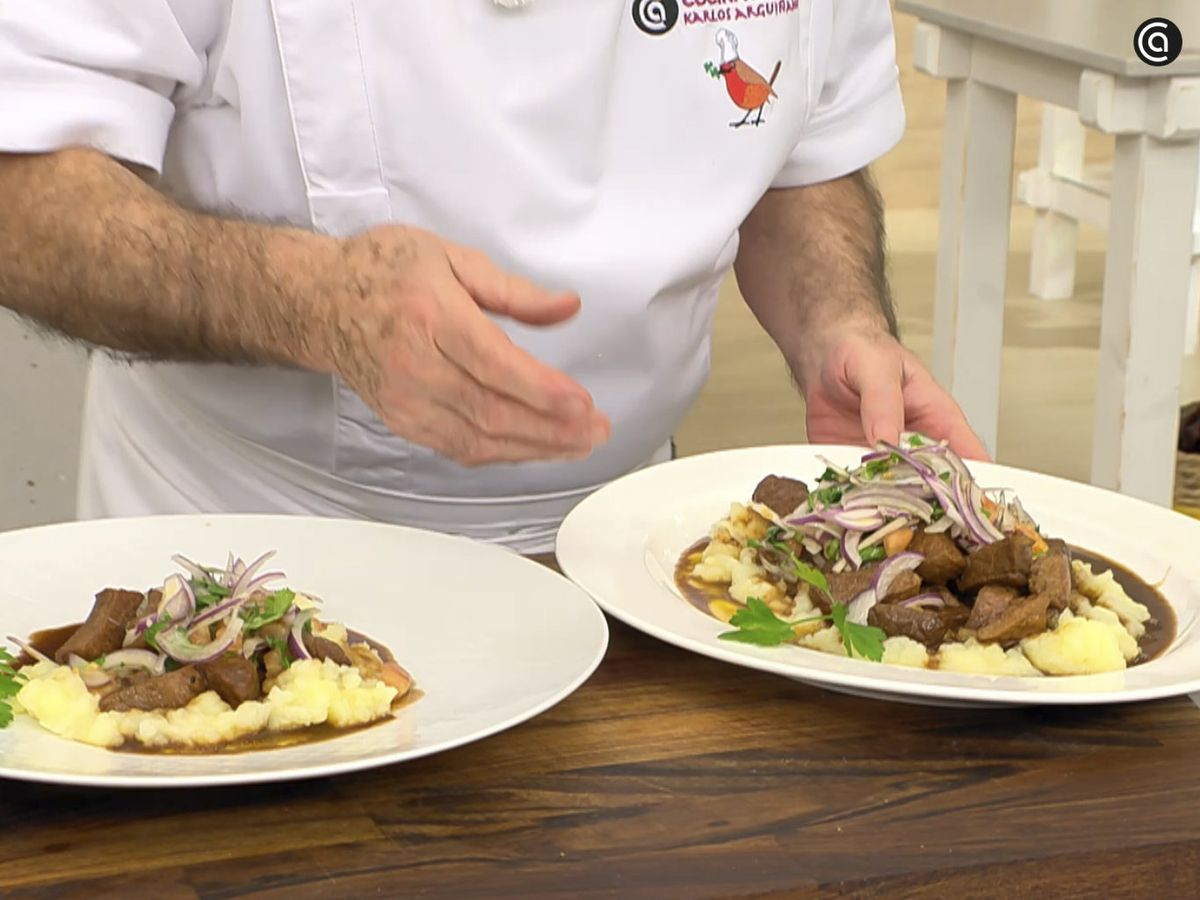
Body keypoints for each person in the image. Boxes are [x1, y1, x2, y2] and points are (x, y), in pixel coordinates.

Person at [0, 1, 985, 553]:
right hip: (249, 533)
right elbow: (25, 192)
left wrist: (838, 323)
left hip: (630, 549)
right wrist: (313, 300)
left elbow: (802, 147)